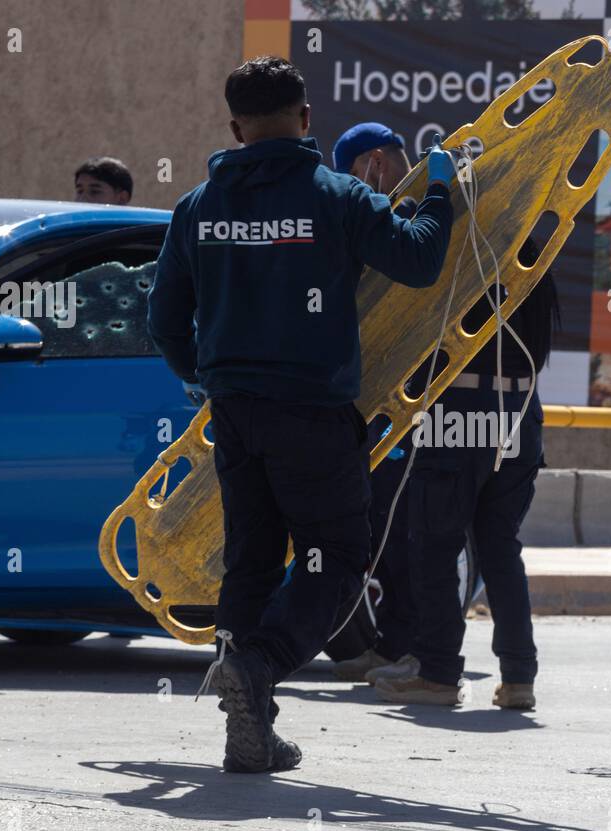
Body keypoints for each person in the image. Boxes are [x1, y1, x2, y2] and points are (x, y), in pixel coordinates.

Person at [146, 56, 456, 773]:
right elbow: (418, 259)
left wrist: (209, 378)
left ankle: (247, 728)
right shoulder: (336, 196)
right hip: (313, 416)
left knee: (251, 563)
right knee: (337, 558)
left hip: (238, 417)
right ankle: (258, 665)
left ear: (235, 128)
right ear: (306, 119)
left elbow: (164, 321)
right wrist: (439, 190)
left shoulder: (197, 207)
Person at [373, 238, 559, 712]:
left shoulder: (464, 254)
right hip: (519, 412)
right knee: (500, 549)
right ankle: (519, 677)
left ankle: (436, 672)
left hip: (459, 410)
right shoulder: (535, 254)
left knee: (435, 545)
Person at [327, 121, 420, 683]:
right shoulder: (380, 222)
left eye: (357, 173)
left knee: (401, 534)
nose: (355, 186)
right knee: (376, 533)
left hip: (406, 411)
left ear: (377, 164)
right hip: (377, 412)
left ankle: (408, 650)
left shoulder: (413, 222)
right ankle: (382, 646)